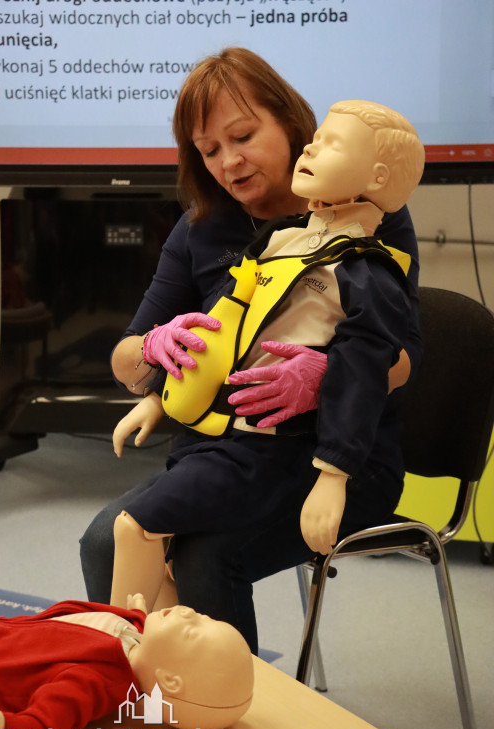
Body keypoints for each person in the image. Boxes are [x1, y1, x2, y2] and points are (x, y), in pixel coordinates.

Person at [80, 48, 423, 653]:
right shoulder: (200, 228)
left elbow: (401, 359)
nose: (229, 162)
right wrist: (157, 352)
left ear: (291, 125)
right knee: (105, 540)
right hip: (225, 450)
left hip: (333, 461)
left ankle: (230, 717)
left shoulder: (367, 217)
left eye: (242, 136)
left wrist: (329, 375)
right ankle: (146, 688)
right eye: (209, 151)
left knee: (204, 555)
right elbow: (126, 359)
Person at [0, 596, 254, 729]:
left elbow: (45, 725)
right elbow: (129, 627)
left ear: (170, 681)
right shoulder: (138, 633)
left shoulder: (95, 681)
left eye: (191, 632)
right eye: (206, 617)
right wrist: (138, 610)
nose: (190, 613)